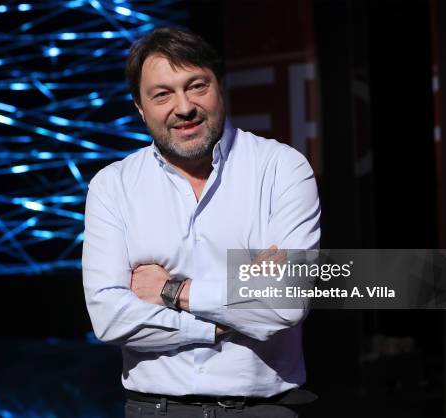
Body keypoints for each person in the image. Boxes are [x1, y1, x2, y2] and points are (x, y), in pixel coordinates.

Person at [82, 27, 320, 418]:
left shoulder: (282, 169)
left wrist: (172, 290)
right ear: (140, 108)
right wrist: (218, 323)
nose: (184, 107)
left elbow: (287, 301)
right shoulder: (113, 186)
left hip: (264, 410)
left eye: (196, 86)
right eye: (162, 94)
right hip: (155, 411)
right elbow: (109, 318)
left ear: (220, 87)